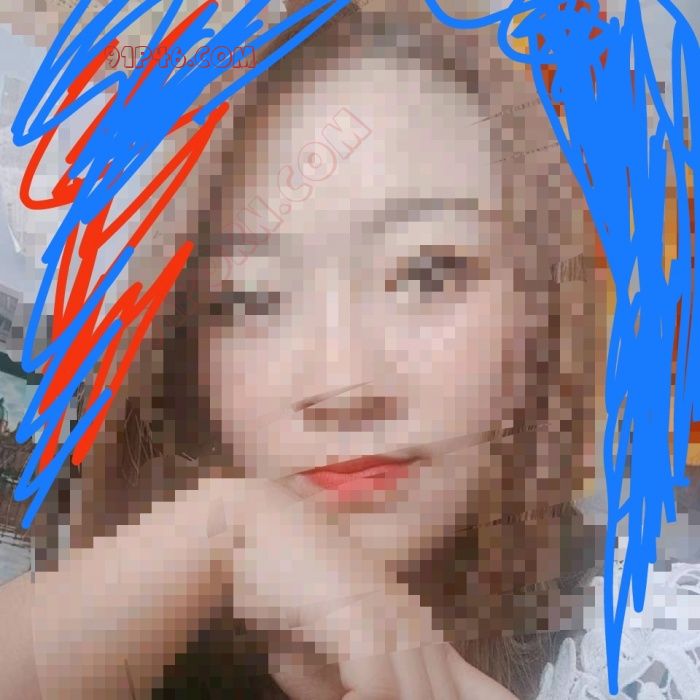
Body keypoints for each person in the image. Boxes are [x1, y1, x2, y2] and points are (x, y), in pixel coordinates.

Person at [0, 0, 599, 698]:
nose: (344, 382)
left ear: (538, 302)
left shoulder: (654, 637)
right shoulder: (112, 616)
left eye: (428, 274)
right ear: (186, 368)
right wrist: (223, 533)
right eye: (249, 298)